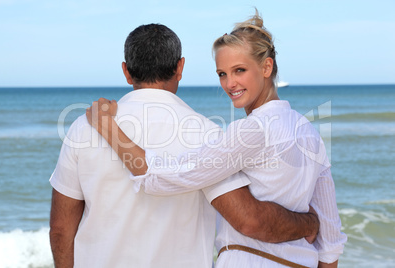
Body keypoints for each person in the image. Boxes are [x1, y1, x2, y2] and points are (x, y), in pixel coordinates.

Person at [86, 11, 347, 268]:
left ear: (266, 67)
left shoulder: (252, 130)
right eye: (222, 74)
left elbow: (165, 177)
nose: (230, 83)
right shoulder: (310, 134)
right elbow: (331, 239)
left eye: (239, 70)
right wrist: (310, 226)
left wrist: (108, 126)